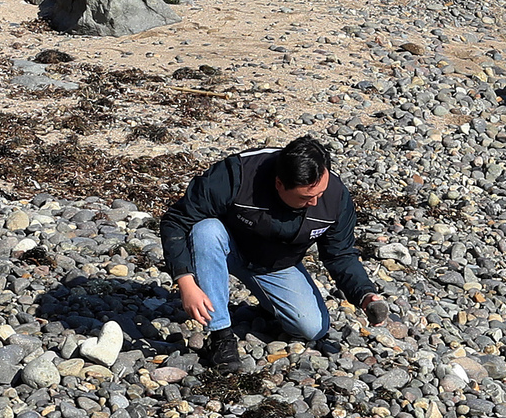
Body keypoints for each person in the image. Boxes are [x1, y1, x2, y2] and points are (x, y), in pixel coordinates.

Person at [159, 136, 389, 371]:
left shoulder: (335, 197)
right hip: (224, 248)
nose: (315, 202)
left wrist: (365, 294)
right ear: (279, 183)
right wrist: (186, 282)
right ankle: (219, 335)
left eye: (320, 193)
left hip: (275, 264)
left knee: (312, 328)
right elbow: (175, 221)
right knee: (205, 230)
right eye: (305, 197)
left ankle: (268, 307)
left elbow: (340, 254)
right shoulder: (236, 175)